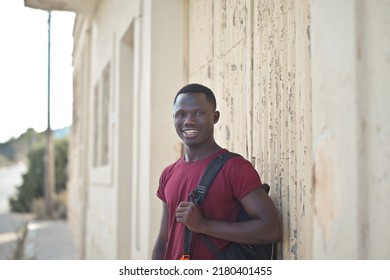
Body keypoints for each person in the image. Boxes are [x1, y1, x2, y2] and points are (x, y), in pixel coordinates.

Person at [152, 83, 282, 260]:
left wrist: (204, 225)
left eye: (199, 113)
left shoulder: (234, 168)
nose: (188, 121)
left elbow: (271, 229)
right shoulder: (168, 174)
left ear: (215, 117)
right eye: (181, 114)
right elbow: (164, 240)